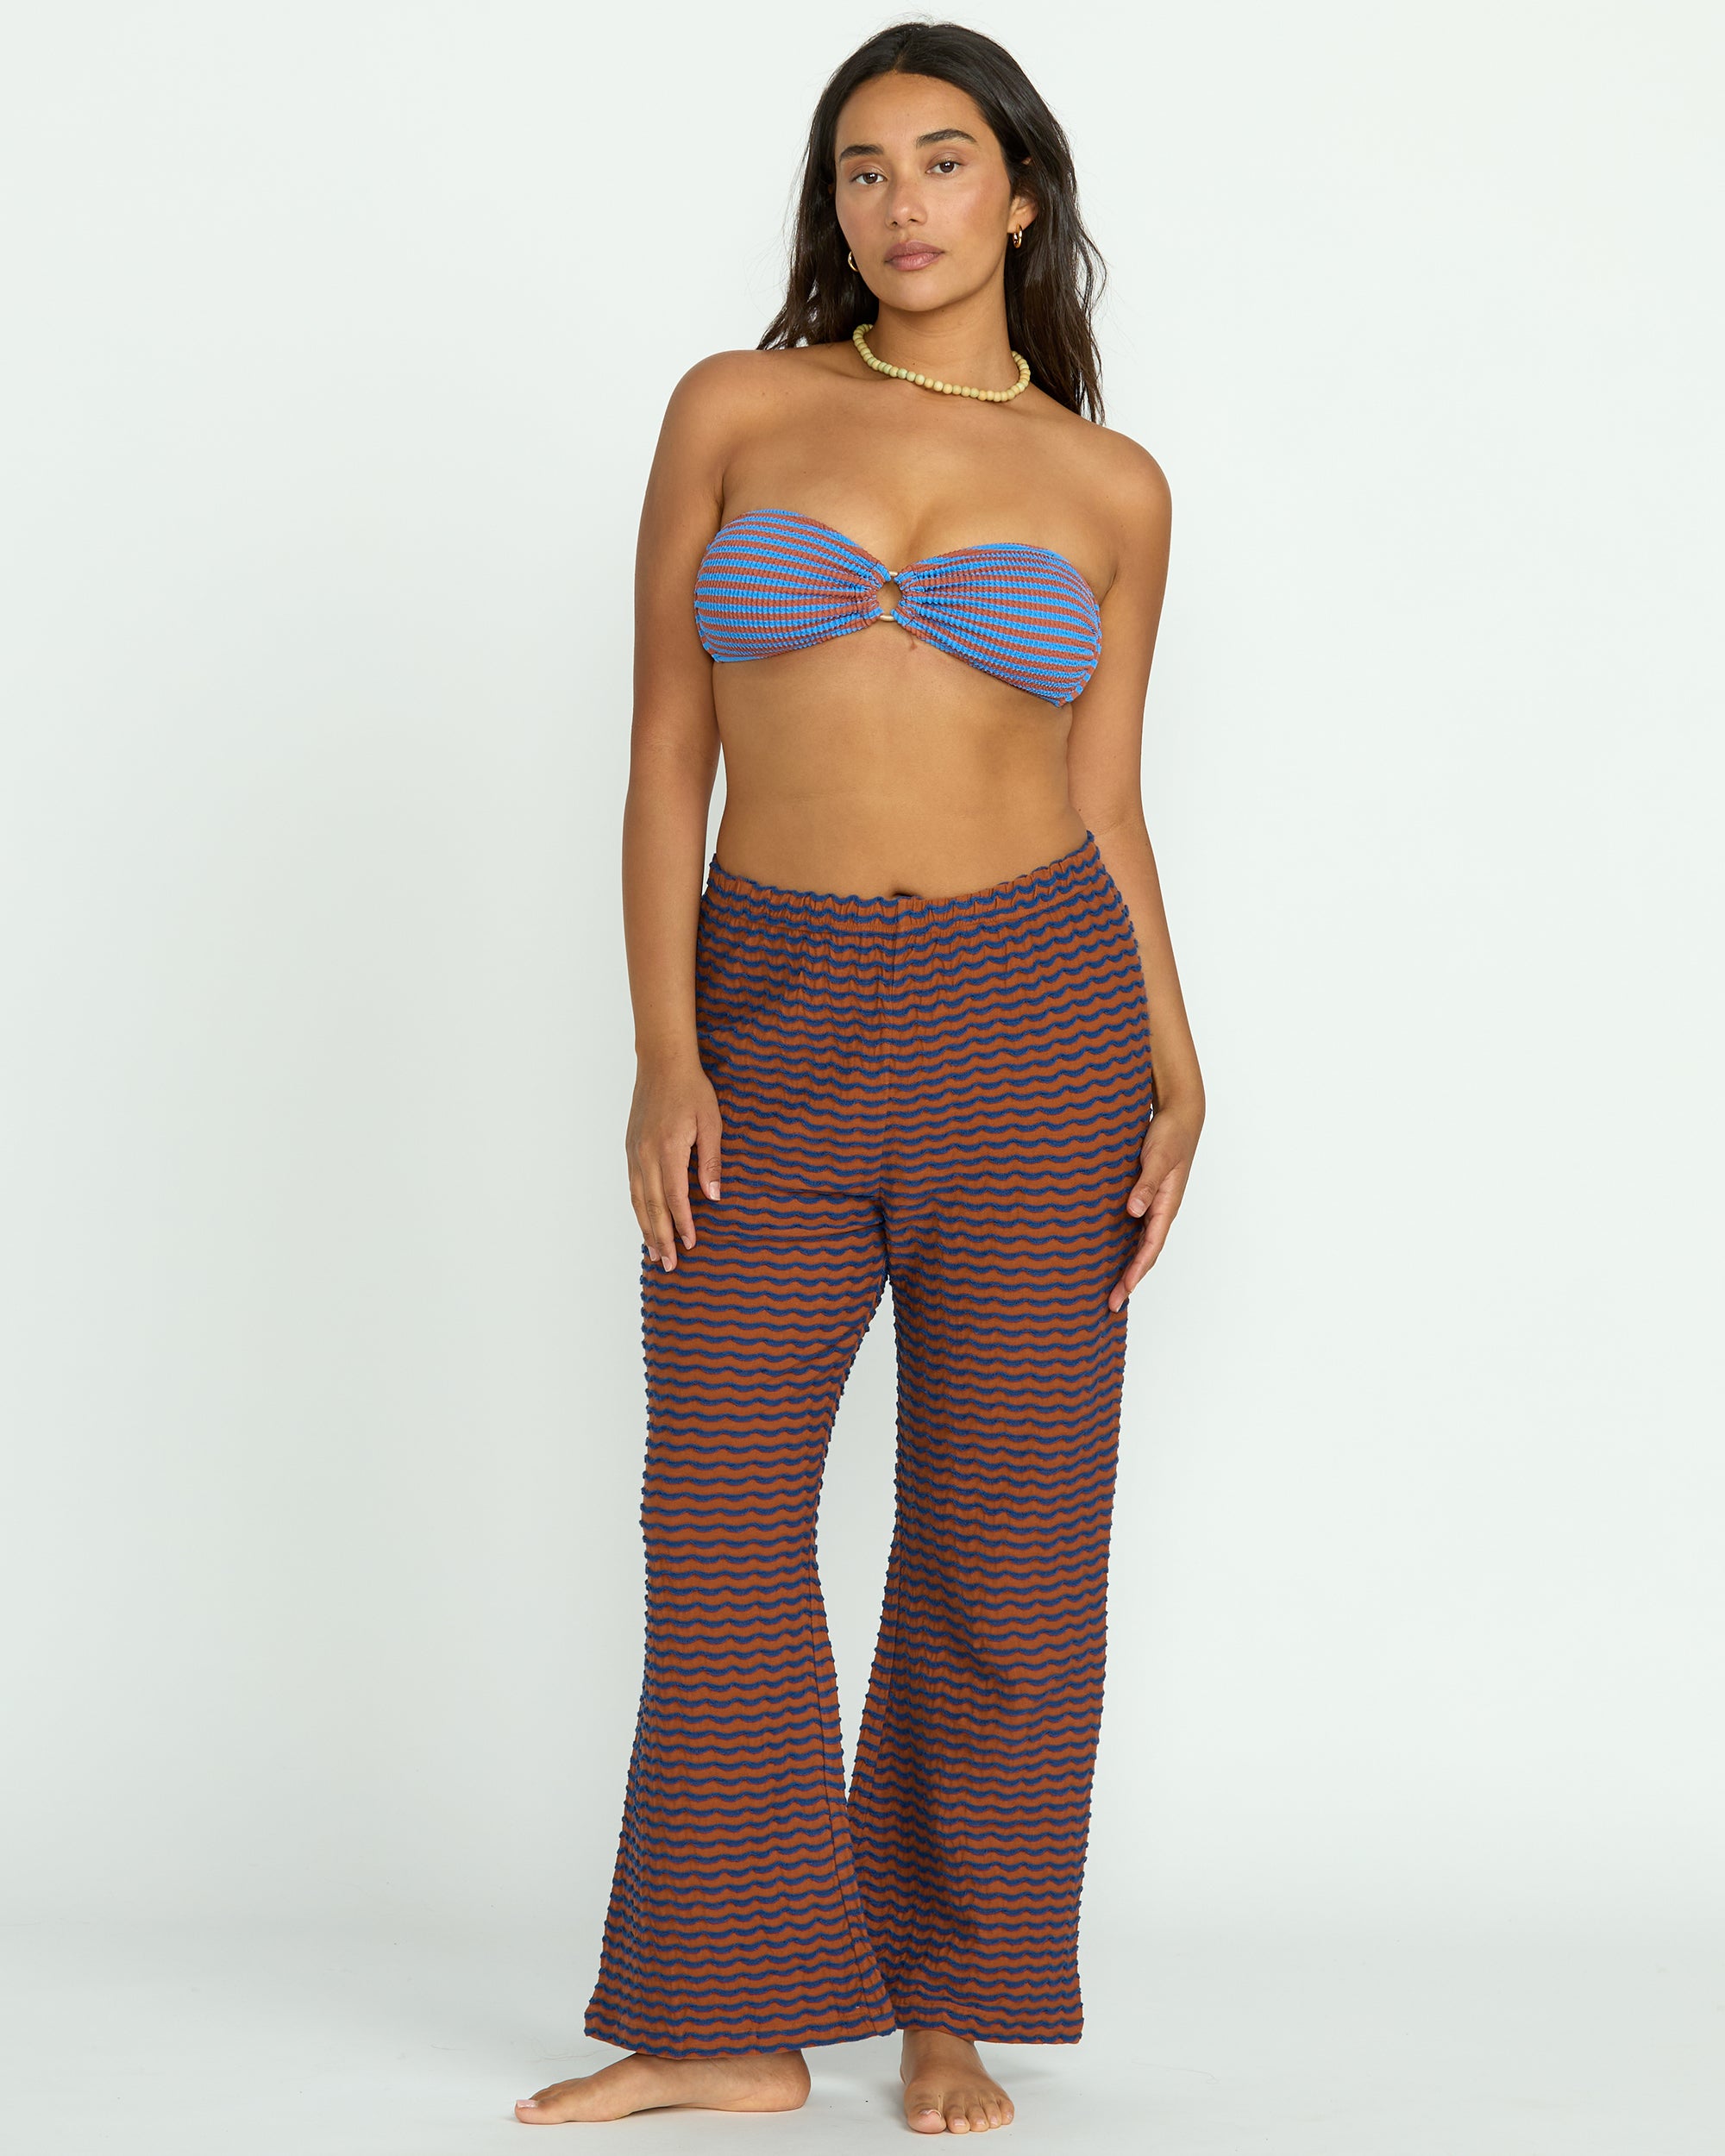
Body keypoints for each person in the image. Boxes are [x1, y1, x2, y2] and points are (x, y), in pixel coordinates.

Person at [516, 19, 1203, 2137]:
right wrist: (666, 1043)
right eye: (862, 168)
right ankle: (724, 2014)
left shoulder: (1109, 486)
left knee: (1010, 1540)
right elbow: (665, 749)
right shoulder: (734, 407)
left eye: (943, 160)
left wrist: (1176, 1063)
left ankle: (944, 1999)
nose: (903, 203)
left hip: (1038, 1011)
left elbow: (1107, 803)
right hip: (773, 998)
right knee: (717, 1518)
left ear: (1021, 193)